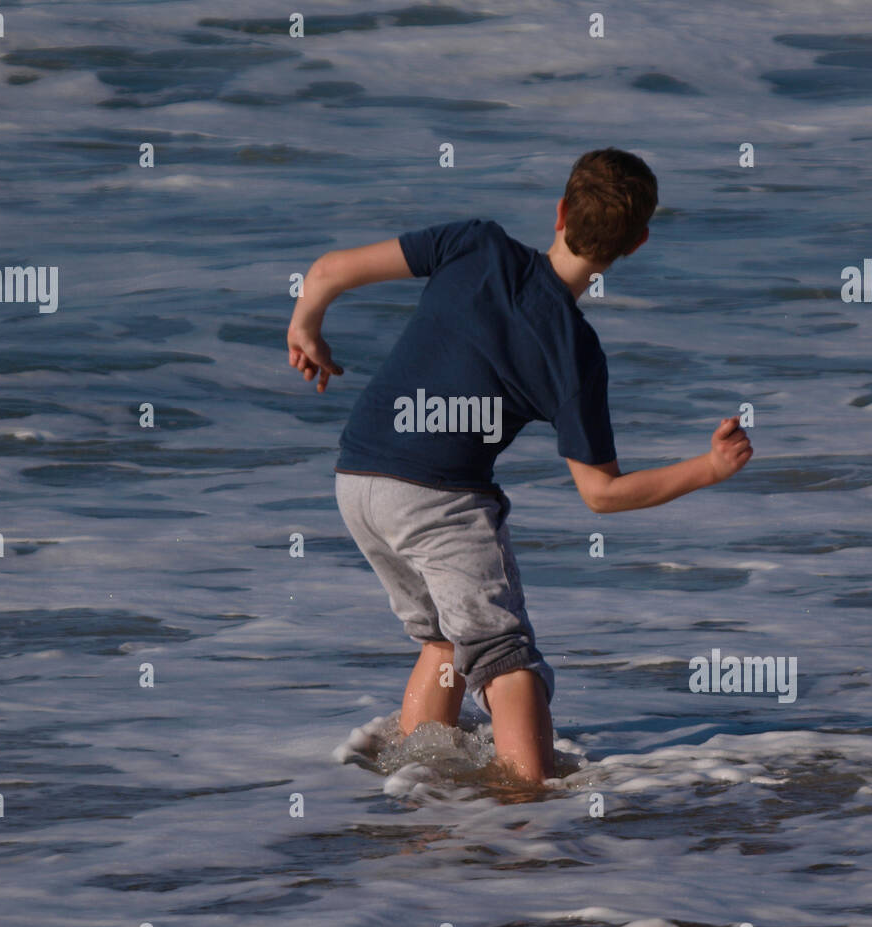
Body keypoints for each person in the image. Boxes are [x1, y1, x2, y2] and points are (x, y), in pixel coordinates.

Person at [287, 148, 753, 784]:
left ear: (559, 211)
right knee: (504, 655)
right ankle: (526, 817)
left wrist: (306, 328)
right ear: (636, 244)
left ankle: (422, 792)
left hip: (358, 478)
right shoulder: (574, 350)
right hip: (438, 499)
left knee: (446, 641)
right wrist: (709, 467)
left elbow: (327, 271)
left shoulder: (473, 243)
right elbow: (602, 494)